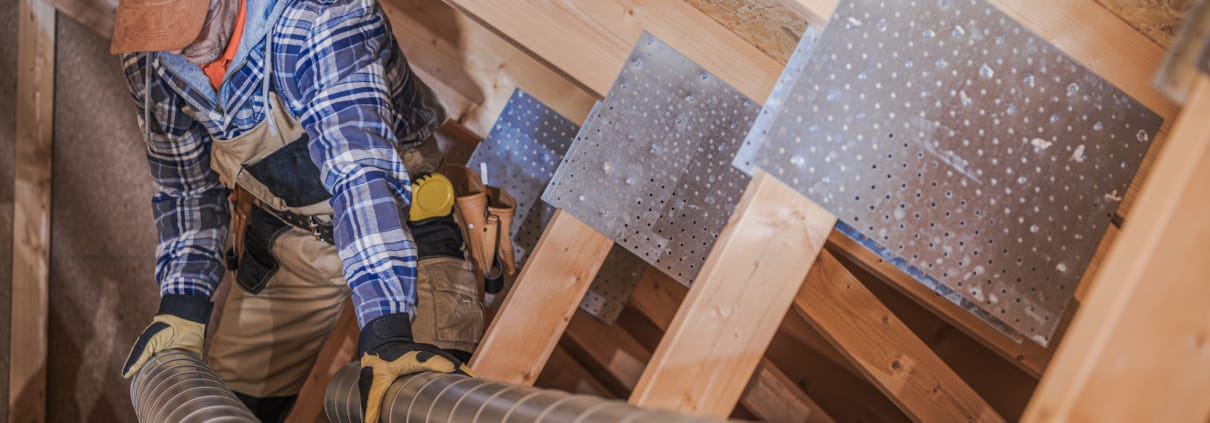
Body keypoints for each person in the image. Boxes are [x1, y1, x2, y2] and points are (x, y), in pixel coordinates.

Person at [110, 0, 492, 421]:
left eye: (186, 28)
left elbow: (359, 174)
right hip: (292, 238)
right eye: (158, 33)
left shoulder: (320, 17)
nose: (178, 50)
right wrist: (183, 301)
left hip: (399, 223)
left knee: (422, 403)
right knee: (222, 406)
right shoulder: (150, 57)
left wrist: (387, 332)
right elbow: (187, 189)